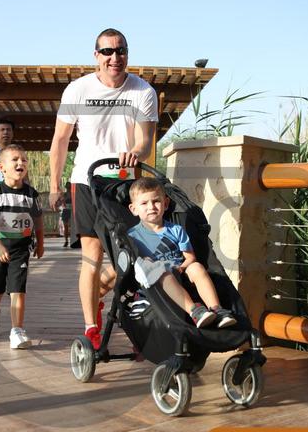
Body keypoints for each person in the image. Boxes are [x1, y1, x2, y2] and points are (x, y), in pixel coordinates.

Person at [49, 28, 158, 349]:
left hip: (124, 184)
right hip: (86, 181)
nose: (115, 57)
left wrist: (136, 151)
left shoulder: (143, 91)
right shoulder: (78, 90)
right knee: (92, 255)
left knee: (133, 254)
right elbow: (60, 139)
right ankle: (91, 328)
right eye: (107, 51)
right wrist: (54, 185)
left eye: (120, 50)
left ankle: (101, 294)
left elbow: (145, 140)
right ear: (96, 55)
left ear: (127, 54)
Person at [127, 177, 237, 329]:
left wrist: (183, 267)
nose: (151, 207)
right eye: (144, 203)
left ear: (165, 204)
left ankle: (217, 310)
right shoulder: (132, 236)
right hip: (157, 281)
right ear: (134, 209)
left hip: (181, 272)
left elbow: (190, 257)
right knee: (162, 273)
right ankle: (195, 311)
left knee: (197, 267)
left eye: (156, 201)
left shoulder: (176, 230)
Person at [0, 143, 44, 349]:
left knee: (18, 289)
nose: (20, 163)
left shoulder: (32, 194)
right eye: (15, 159)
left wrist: (40, 243)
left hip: (21, 249)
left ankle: (17, 331)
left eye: (24, 160)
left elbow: (38, 220)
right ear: (2, 167)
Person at [60, 181, 72, 247]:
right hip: (66, 211)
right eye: (68, 187)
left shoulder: (73, 194)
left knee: (73, 227)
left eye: (69, 187)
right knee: (66, 227)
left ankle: (72, 240)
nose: (68, 188)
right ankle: (66, 241)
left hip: (71, 211)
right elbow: (62, 202)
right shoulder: (64, 195)